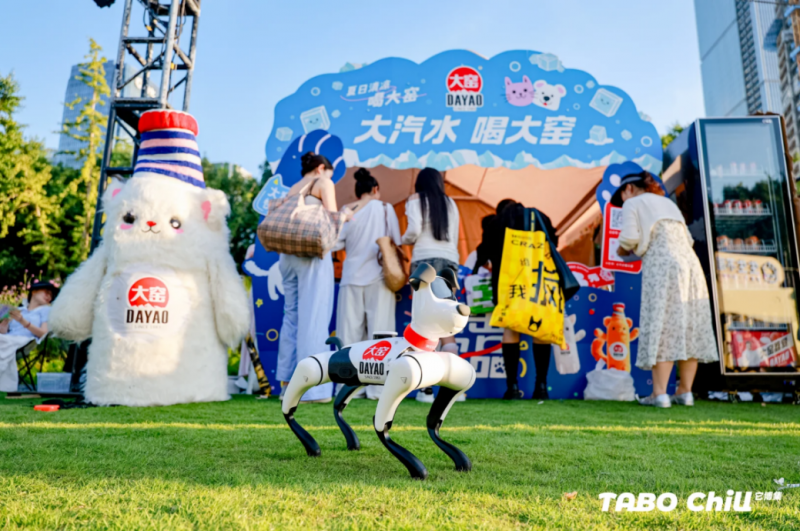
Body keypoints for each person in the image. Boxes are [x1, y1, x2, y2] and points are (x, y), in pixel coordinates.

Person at [612, 172, 718, 408]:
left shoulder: (632, 202)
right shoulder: (668, 203)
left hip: (662, 265)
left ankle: (659, 394)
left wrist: (621, 251)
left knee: (662, 324)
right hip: (690, 264)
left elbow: (629, 238)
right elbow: (688, 239)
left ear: (628, 189)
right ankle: (685, 392)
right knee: (689, 326)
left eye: (621, 195)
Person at [277, 152, 353, 404]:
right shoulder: (323, 183)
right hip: (310, 255)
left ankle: (287, 384)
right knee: (315, 317)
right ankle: (313, 389)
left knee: (292, 317)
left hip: (286, 256)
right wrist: (345, 215)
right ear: (321, 168)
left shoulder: (292, 189)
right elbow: (331, 221)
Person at [475, 199, 558, 400]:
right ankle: (541, 386)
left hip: (510, 284)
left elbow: (483, 252)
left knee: (511, 330)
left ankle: (512, 387)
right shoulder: (540, 216)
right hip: (539, 281)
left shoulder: (498, 221)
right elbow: (554, 244)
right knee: (540, 330)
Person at [334, 168, 401, 400]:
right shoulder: (385, 208)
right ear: (375, 189)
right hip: (380, 277)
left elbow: (335, 243)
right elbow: (397, 240)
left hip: (351, 276)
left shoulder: (347, 210)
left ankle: (349, 387)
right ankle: (378, 388)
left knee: (348, 334)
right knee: (380, 334)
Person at [402, 167, 461, 403]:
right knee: (447, 323)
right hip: (450, 259)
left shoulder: (415, 199)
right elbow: (454, 236)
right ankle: (455, 388)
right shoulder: (451, 203)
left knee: (424, 322)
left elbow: (414, 230)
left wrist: (402, 240)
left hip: (425, 260)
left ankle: (425, 389)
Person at [0, 281, 59, 393]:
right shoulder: (19, 310)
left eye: (51, 295)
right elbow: (3, 332)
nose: (49, 297)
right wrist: (6, 319)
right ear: (34, 292)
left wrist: (22, 321)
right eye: (46, 292)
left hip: (25, 341)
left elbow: (43, 333)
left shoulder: (46, 310)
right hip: (7, 338)